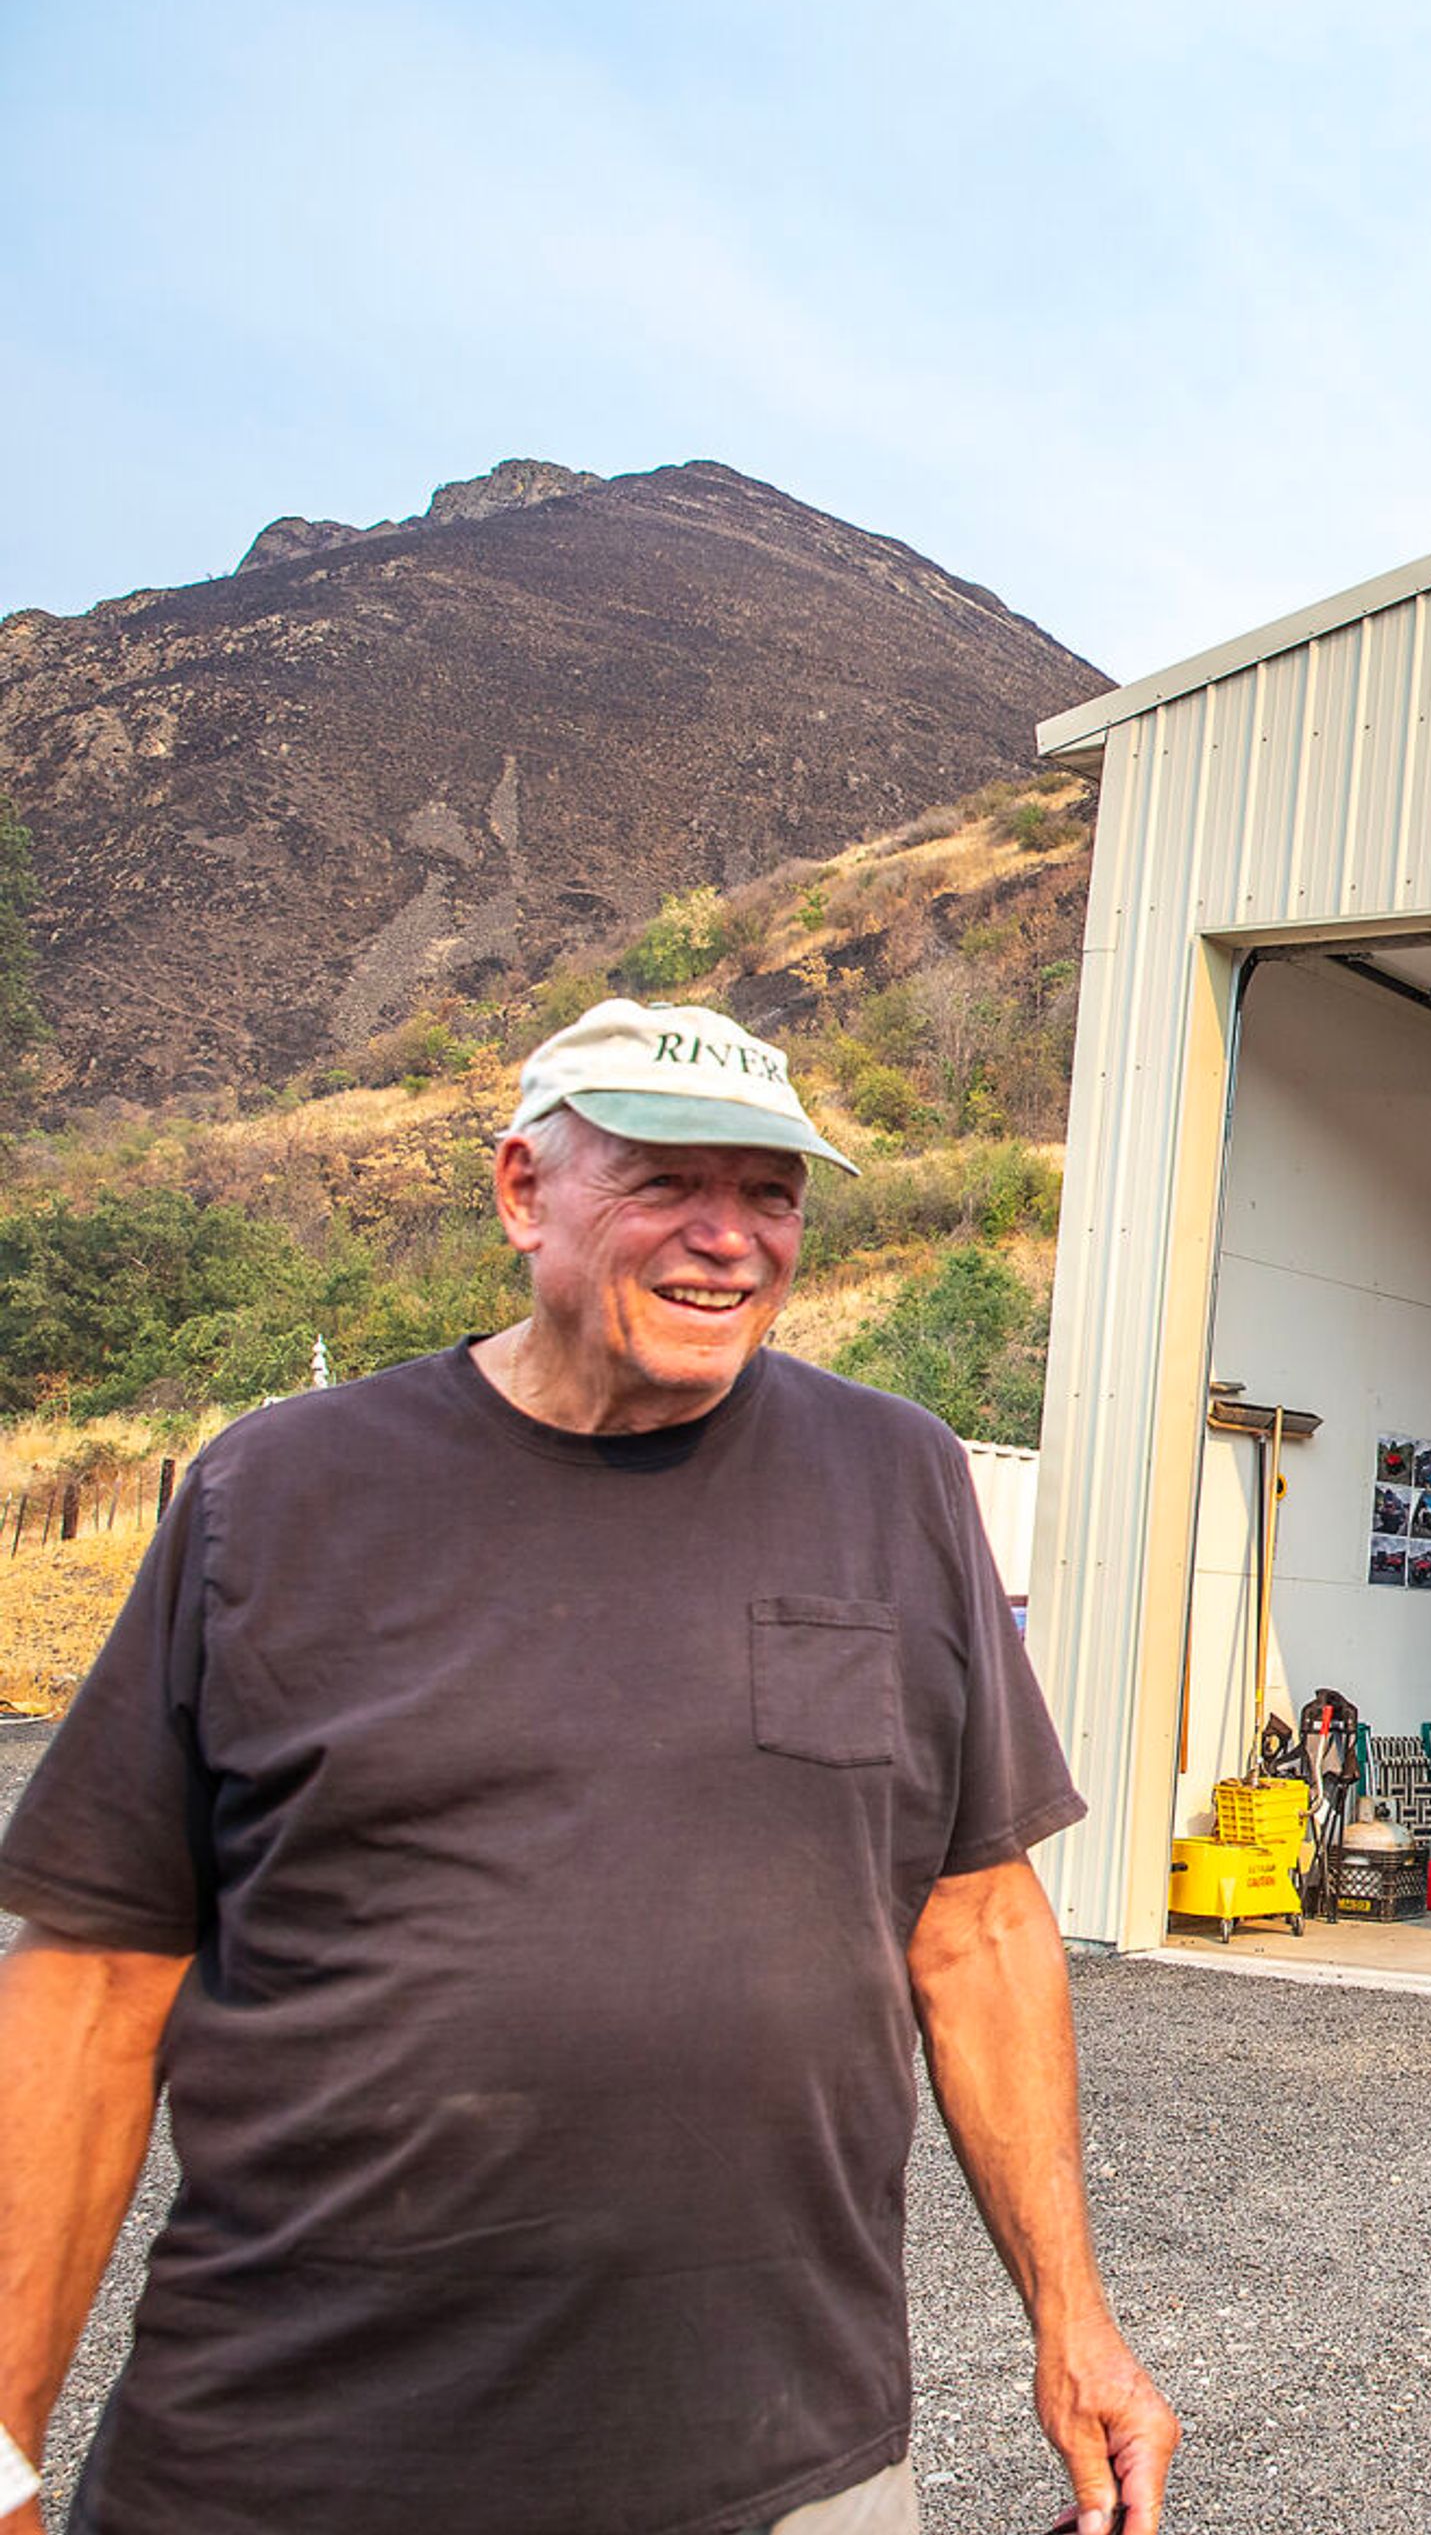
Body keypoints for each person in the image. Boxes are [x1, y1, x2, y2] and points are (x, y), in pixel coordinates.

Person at [0, 1000, 1176, 2535]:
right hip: (298, 2468)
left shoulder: (895, 1477)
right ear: (519, 1190)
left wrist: (1073, 2319)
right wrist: (6, 2444)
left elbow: (976, 1925)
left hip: (785, 2467)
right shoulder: (277, 1492)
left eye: (771, 1193)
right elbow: (94, 1976)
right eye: (665, 1181)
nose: (729, 1239)